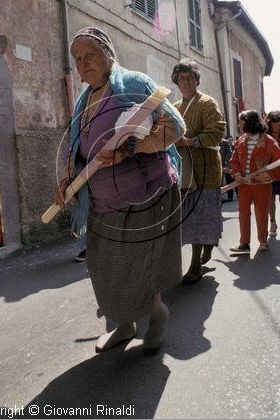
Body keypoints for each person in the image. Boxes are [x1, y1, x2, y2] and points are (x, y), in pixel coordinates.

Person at [54, 26, 186, 353]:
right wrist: (67, 182)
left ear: (108, 55)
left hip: (145, 195)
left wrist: (130, 149)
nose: (84, 63)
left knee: (140, 267)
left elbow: (175, 127)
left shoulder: (135, 85)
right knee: (103, 269)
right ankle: (124, 326)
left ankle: (157, 314)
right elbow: (77, 149)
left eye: (90, 55)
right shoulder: (84, 100)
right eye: (78, 59)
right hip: (101, 202)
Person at [172, 58, 226, 284]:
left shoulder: (207, 103)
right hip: (185, 175)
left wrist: (191, 141)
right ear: (176, 81)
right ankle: (205, 245)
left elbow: (217, 132)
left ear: (196, 80)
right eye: (182, 79)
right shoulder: (174, 108)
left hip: (206, 173)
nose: (186, 82)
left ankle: (195, 266)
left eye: (190, 78)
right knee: (192, 220)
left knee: (202, 217)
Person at [229, 110, 280, 254]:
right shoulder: (240, 141)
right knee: (243, 214)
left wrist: (267, 175)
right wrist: (237, 174)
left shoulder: (268, 141)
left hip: (262, 186)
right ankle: (244, 244)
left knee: (262, 213)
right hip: (244, 185)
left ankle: (263, 241)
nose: (239, 124)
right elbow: (234, 161)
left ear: (250, 122)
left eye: (241, 121)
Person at [220, 136, 233, 203]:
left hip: (221, 167)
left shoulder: (225, 142)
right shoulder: (207, 140)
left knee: (219, 185)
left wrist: (229, 167)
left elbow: (230, 155)